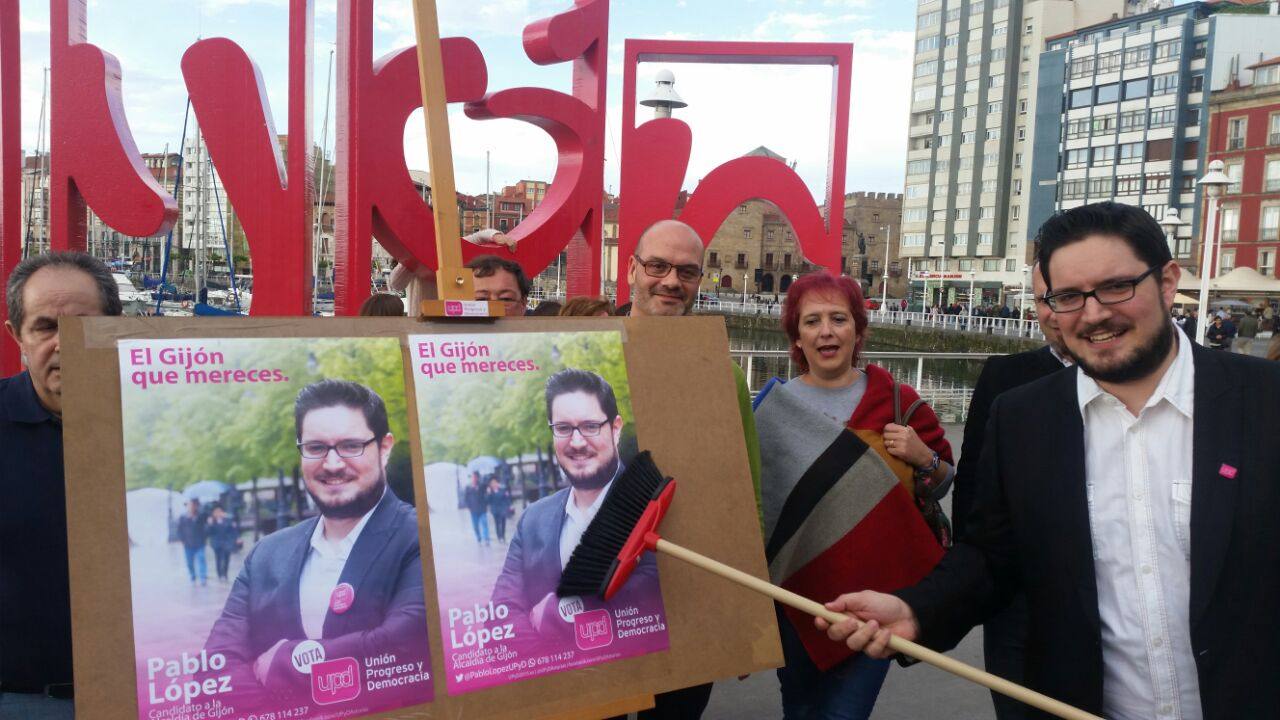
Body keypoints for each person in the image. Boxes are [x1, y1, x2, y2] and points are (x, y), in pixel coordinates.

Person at [821, 202, 1280, 719]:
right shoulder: (1022, 418)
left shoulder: (1264, 401)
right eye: (1068, 297)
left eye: (1116, 287)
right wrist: (915, 609)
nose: (1093, 314)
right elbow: (991, 556)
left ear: (1168, 282)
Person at [753, 272, 954, 720]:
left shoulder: (899, 402)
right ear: (797, 336)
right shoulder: (770, 412)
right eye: (812, 321)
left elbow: (942, 482)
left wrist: (923, 457)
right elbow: (755, 507)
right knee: (800, 707)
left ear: (858, 331)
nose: (826, 330)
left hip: (876, 597)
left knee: (847, 713)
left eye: (839, 319)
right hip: (797, 597)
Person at [204, 380, 427, 701]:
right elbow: (215, 669)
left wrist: (289, 663)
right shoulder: (266, 554)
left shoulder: (418, 534)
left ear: (384, 448)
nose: (333, 464)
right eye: (316, 448)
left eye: (351, 445)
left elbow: (405, 643)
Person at [622, 219, 762, 720]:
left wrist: (743, 616)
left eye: (687, 271)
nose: (671, 281)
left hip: (689, 593)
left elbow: (746, 494)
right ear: (631, 269)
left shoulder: (720, 371)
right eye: (657, 266)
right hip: (601, 592)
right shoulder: (588, 350)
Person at [1, 251, 121, 718]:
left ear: (114, 328)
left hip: (148, 694)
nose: (65, 344)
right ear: (18, 338)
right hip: (21, 699)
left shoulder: (157, 417)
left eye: (83, 325)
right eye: (46, 326)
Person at [951, 262, 1072, 720]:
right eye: (1046, 300)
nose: (1057, 313)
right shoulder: (1005, 375)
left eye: (1069, 297)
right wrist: (972, 579)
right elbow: (974, 482)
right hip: (1016, 596)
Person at [490, 369, 657, 645]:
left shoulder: (649, 503)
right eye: (564, 428)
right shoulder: (533, 519)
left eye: (591, 426)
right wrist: (550, 664)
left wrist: (553, 614)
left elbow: (649, 597)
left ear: (616, 429)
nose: (577, 442)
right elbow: (500, 618)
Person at [177, 499, 209, 586]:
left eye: (194, 505)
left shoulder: (201, 516)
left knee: (201, 559)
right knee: (190, 562)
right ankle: (193, 576)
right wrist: (182, 540)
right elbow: (179, 530)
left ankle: (203, 578)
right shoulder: (183, 517)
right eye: (190, 505)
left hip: (199, 543)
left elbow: (206, 523)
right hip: (188, 544)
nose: (191, 507)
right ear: (187, 506)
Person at [207, 504, 240, 582]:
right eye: (216, 512)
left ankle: (225, 574)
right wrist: (210, 524)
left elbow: (233, 530)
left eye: (220, 511)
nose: (218, 513)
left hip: (227, 542)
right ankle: (219, 574)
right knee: (218, 559)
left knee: (226, 559)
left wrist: (237, 538)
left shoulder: (228, 520)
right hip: (216, 543)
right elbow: (208, 532)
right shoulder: (212, 521)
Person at [464, 472, 491, 545]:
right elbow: (466, 498)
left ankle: (486, 539)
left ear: (477, 478)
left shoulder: (482, 485)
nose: (474, 479)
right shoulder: (468, 487)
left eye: (475, 477)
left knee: (484, 524)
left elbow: (487, 485)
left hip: (482, 509)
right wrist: (468, 507)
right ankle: (479, 538)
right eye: (473, 477)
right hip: (473, 510)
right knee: (475, 526)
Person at [486, 477, 512, 543]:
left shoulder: (502, 489)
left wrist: (509, 505)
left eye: (495, 482)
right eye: (492, 483)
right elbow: (487, 501)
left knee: (503, 522)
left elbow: (507, 498)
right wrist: (488, 493)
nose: (494, 484)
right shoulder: (490, 492)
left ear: (497, 483)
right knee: (497, 523)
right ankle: (499, 536)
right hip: (495, 510)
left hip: (502, 509)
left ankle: (503, 536)